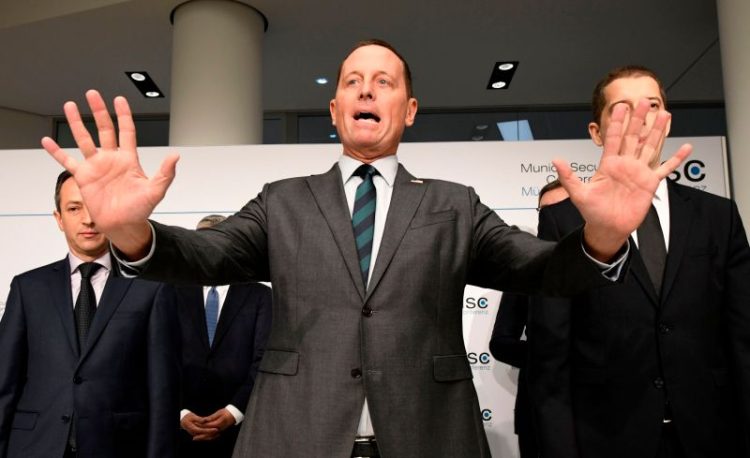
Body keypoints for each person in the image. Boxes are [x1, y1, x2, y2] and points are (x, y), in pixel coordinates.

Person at [41, 39, 691, 457]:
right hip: (297, 440)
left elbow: (546, 272)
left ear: (409, 109)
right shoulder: (284, 199)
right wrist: (129, 229)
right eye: (353, 81)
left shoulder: (453, 204)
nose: (366, 90)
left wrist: (605, 233)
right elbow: (203, 257)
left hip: (429, 438)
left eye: (383, 81)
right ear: (333, 109)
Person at [527, 66, 750, 458]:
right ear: (597, 132)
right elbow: (550, 354)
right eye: (623, 110)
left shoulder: (717, 215)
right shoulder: (563, 221)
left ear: (666, 121)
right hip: (608, 437)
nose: (641, 120)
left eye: (653, 106)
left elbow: (742, 336)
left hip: (710, 433)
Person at [0, 171, 180, 458]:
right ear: (59, 218)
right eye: (74, 208)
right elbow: (5, 382)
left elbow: (163, 393)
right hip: (35, 446)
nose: (88, 219)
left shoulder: (151, 290)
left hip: (118, 447)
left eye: (97, 207)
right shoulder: (28, 288)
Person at [177, 214, 272, 458]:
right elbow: (158, 358)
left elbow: (264, 362)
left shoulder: (261, 296)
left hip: (241, 432)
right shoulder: (170, 292)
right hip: (178, 433)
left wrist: (234, 411)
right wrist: (180, 412)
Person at [489, 179, 568, 458]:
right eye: (545, 213)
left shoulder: (610, 265)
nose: (554, 220)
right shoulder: (525, 270)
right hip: (537, 408)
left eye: (563, 209)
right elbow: (500, 342)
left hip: (600, 409)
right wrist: (552, 354)